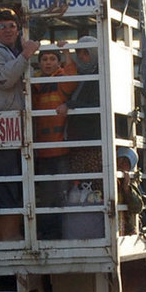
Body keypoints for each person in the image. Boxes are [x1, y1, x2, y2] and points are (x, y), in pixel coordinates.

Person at [0, 8, 40, 240]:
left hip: (16, 128)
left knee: (18, 186)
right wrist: (25, 55)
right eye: (2, 26)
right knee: (5, 187)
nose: (8, 30)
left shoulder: (14, 49)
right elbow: (4, 79)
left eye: (12, 25)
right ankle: (7, 241)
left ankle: (16, 237)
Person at [32, 43, 78, 239]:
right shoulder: (35, 82)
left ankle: (63, 232)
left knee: (62, 193)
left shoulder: (61, 79)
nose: (48, 63)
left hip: (60, 148)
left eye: (52, 59)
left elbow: (72, 77)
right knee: (46, 195)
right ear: (39, 62)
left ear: (58, 62)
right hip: (42, 149)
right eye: (44, 59)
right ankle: (49, 233)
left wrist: (67, 52)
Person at [56, 35, 103, 192]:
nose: (82, 56)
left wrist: (70, 105)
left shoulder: (100, 76)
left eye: (86, 52)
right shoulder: (81, 74)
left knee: (93, 187)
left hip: (92, 141)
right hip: (78, 140)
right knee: (78, 186)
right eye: (79, 52)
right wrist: (67, 55)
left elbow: (96, 106)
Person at [116, 147, 145, 235]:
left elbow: (137, 207)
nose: (121, 164)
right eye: (120, 160)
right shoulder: (107, 178)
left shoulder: (130, 182)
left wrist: (126, 188)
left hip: (125, 229)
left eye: (126, 162)